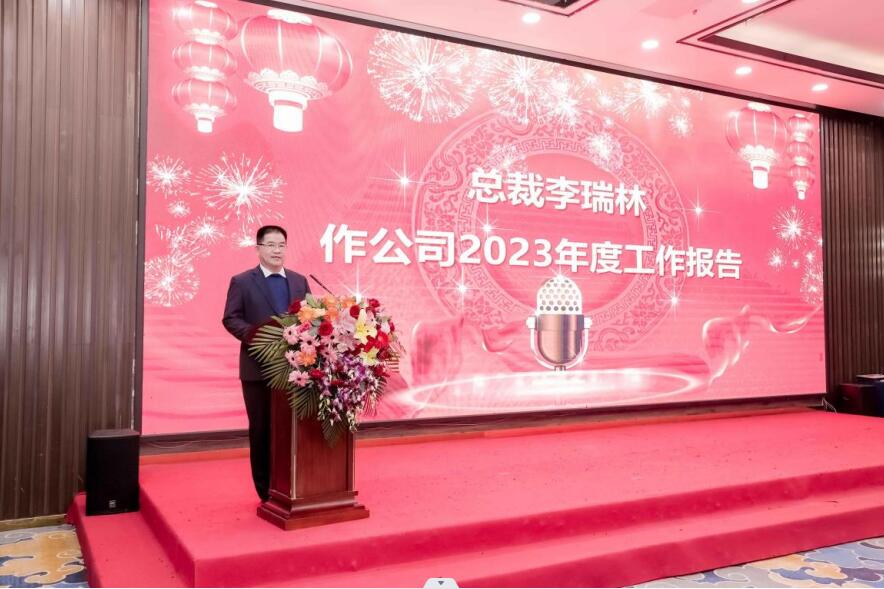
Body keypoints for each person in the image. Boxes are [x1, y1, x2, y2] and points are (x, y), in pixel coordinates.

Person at [222, 225, 310, 502]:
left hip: (295, 370)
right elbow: (231, 318)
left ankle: (290, 484)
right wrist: (256, 336)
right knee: (261, 430)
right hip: (257, 369)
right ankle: (265, 490)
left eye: (281, 245)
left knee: (290, 430)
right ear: (258, 248)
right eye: (271, 245)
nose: (277, 250)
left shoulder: (299, 281)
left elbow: (309, 317)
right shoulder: (242, 282)